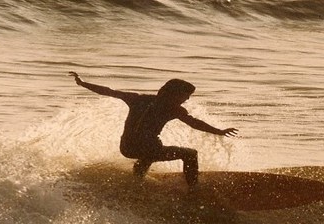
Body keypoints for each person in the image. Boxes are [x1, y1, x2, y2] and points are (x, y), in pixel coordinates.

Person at [69, 72, 238, 188]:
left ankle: (137, 180)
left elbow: (109, 92)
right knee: (190, 154)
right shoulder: (174, 109)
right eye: (184, 96)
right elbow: (194, 123)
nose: (186, 100)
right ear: (171, 94)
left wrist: (82, 83)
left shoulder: (138, 99)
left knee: (150, 152)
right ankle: (193, 190)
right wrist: (219, 131)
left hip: (127, 148)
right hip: (147, 148)